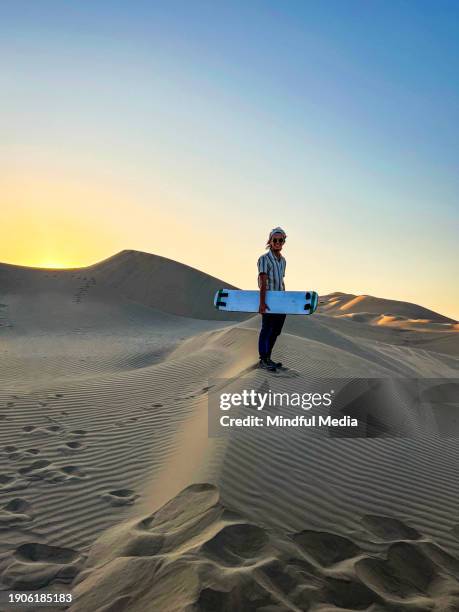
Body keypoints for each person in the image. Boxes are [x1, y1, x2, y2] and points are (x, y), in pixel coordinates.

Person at [257, 227, 287, 371]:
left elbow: (281, 281)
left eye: (280, 240)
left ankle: (268, 358)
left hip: (281, 302)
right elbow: (263, 281)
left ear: (283, 242)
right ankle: (263, 359)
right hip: (269, 301)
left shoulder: (283, 261)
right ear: (270, 241)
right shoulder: (264, 259)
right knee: (266, 329)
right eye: (274, 240)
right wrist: (262, 303)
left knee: (276, 331)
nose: (277, 242)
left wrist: (286, 302)